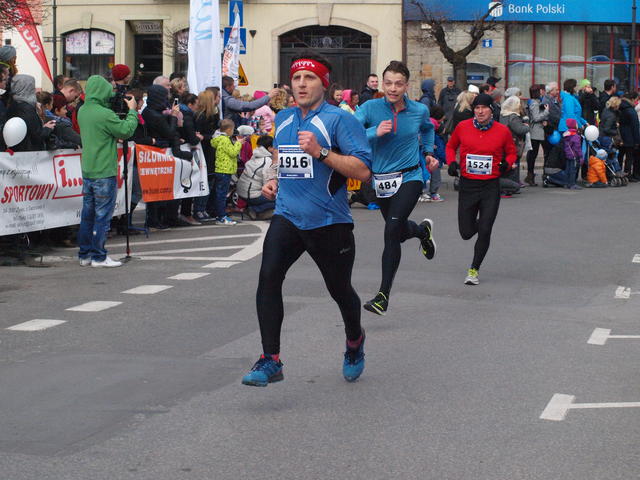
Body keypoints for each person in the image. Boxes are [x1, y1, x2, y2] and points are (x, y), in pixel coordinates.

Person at [241, 52, 372, 387]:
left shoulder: (340, 120)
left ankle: (354, 340)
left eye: (309, 78)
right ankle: (271, 359)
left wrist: (321, 152)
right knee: (268, 278)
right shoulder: (284, 117)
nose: (301, 84)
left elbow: (362, 170)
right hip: (287, 215)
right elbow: (279, 155)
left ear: (324, 84)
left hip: (329, 221)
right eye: (296, 78)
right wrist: (273, 178)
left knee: (340, 290)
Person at [354, 60, 438, 316]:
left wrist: (428, 152)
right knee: (399, 232)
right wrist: (374, 131)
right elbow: (350, 133)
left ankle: (382, 296)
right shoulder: (370, 107)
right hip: (381, 180)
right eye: (388, 83)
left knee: (391, 231)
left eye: (398, 84)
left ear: (406, 85)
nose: (393, 88)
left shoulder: (419, 110)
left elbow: (428, 129)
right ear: (382, 83)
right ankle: (422, 231)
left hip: (410, 176)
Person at [445, 93, 517, 285]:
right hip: (468, 185)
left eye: (484, 108)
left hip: (490, 186)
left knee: (485, 229)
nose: (480, 111)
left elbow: (511, 153)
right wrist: (451, 162)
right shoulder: (463, 127)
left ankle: (474, 270)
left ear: (491, 111)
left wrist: (505, 164)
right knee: (466, 232)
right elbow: (450, 147)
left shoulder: (502, 131)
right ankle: (482, 222)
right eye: (477, 108)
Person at [77, 75, 138, 267]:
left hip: (88, 169)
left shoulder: (83, 111)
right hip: (104, 170)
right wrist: (132, 111)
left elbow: (103, 132)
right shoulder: (104, 114)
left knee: (88, 215)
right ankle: (99, 256)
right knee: (102, 216)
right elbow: (126, 130)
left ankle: (85, 254)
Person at [6, 75, 56, 151]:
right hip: (29, 152)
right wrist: (47, 128)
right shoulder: (26, 108)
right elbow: (36, 136)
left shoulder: (12, 104)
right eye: (32, 87)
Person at [193, 88, 220, 222]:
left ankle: (203, 208)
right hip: (204, 151)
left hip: (209, 150)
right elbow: (201, 135)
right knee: (205, 180)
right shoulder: (201, 117)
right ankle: (199, 209)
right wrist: (211, 136)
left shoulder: (212, 114)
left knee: (210, 180)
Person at [210, 119, 244, 225]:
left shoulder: (219, 139)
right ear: (229, 130)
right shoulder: (225, 140)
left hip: (221, 170)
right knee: (222, 195)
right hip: (225, 170)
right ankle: (221, 217)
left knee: (219, 193)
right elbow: (233, 153)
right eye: (232, 130)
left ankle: (218, 214)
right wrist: (238, 143)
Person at [236, 135, 277, 219]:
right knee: (281, 199)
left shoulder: (255, 155)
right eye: (274, 147)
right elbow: (267, 183)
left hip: (241, 192)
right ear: (269, 148)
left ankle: (252, 208)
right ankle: (255, 209)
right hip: (252, 195)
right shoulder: (267, 160)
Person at [499, 95, 529, 189]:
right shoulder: (513, 116)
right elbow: (519, 130)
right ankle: (513, 185)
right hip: (513, 142)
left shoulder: (503, 114)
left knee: (508, 163)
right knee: (514, 163)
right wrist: (527, 126)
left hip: (504, 141)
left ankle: (508, 184)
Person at [525, 84, 549, 186]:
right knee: (533, 155)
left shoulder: (536, 102)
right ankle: (530, 176)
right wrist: (546, 112)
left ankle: (531, 176)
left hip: (537, 131)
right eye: (540, 90)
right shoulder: (534, 103)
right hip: (536, 132)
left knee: (533, 154)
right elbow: (536, 117)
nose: (542, 92)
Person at [618, 91, 640, 181]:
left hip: (620, 136)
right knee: (629, 157)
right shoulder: (631, 111)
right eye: (636, 100)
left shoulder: (620, 107)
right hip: (630, 137)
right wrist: (637, 141)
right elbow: (635, 126)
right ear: (632, 99)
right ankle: (628, 174)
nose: (636, 102)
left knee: (620, 155)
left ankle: (618, 172)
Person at [561, 118, 584, 189]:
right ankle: (572, 184)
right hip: (574, 156)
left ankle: (566, 183)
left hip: (568, 155)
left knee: (567, 169)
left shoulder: (566, 134)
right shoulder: (576, 136)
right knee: (573, 170)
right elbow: (577, 147)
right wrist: (580, 156)